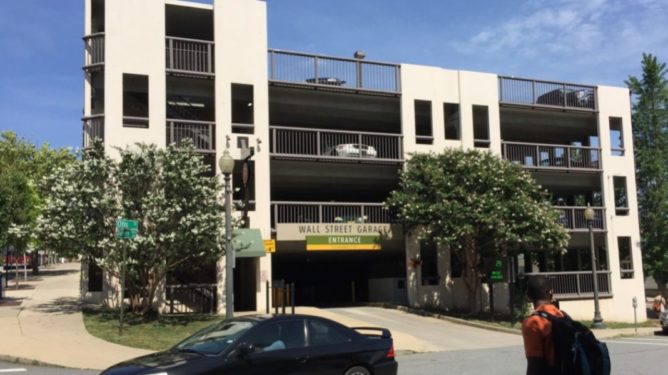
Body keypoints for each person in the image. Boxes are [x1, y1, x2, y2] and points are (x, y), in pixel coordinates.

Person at [522, 275, 564, 375]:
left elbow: (534, 363)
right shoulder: (561, 315)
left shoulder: (532, 322)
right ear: (551, 293)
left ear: (528, 295)